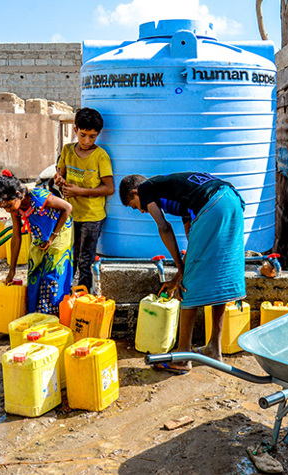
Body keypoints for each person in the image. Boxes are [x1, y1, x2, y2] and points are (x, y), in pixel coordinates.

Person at [119, 172, 245, 374]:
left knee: (189, 286)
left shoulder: (146, 188)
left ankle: (183, 357)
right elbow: (193, 244)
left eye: (136, 205)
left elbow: (164, 227)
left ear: (135, 192)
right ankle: (214, 348)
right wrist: (179, 274)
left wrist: (181, 273)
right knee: (217, 276)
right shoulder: (181, 193)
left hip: (213, 204)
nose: (142, 211)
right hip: (231, 200)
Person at [0, 170, 74, 314]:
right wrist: (12, 269)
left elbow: (67, 208)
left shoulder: (39, 197)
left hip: (60, 231)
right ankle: (35, 314)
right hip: (41, 235)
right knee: (34, 272)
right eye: (4, 208)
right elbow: (16, 237)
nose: (7, 210)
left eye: (8, 205)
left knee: (52, 274)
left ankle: (53, 317)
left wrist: (52, 237)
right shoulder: (15, 210)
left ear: (18, 194)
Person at [54, 108, 113, 292]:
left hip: (91, 217)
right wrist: (59, 180)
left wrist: (79, 191)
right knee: (68, 255)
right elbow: (59, 175)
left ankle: (83, 296)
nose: (87, 141)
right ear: (75, 130)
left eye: (92, 137)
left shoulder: (100, 156)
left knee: (85, 260)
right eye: (83, 135)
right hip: (70, 214)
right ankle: (65, 294)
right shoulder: (67, 150)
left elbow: (109, 188)